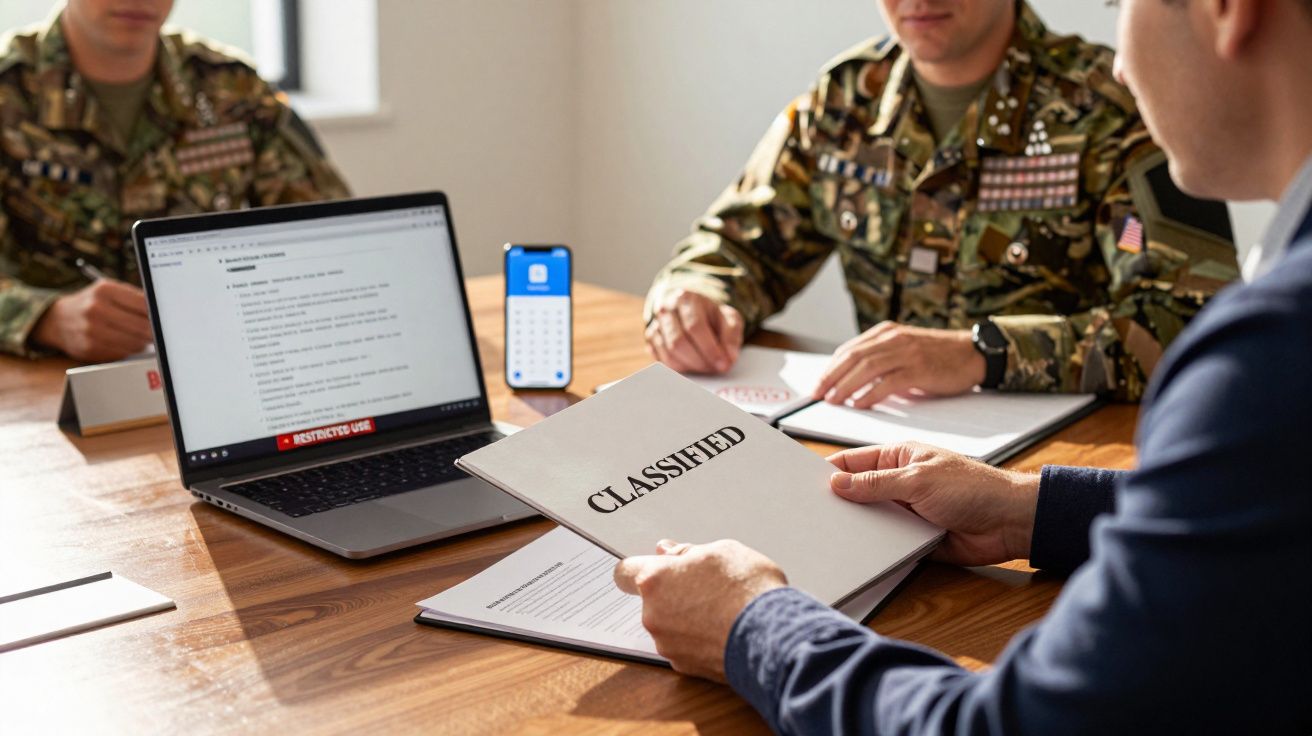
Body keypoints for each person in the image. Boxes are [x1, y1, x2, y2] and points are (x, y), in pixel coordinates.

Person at [615, 0, 1312, 731]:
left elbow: (1021, 723)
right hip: (900, 473)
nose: (1122, 62)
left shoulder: (1263, 352)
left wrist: (752, 627)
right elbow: (734, 243)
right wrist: (1028, 510)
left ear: (1225, 10)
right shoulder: (848, 94)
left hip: (1083, 448)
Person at [644, 0, 1240, 404]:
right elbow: (739, 246)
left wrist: (983, 353)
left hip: (1054, 473)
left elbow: (1188, 323)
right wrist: (697, 293)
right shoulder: (846, 100)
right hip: (875, 439)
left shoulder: (1111, 111)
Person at [0, 0, 350, 362]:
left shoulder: (231, 89)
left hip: (216, 356)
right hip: (47, 370)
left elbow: (327, 236)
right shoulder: (8, 91)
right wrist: (45, 319)